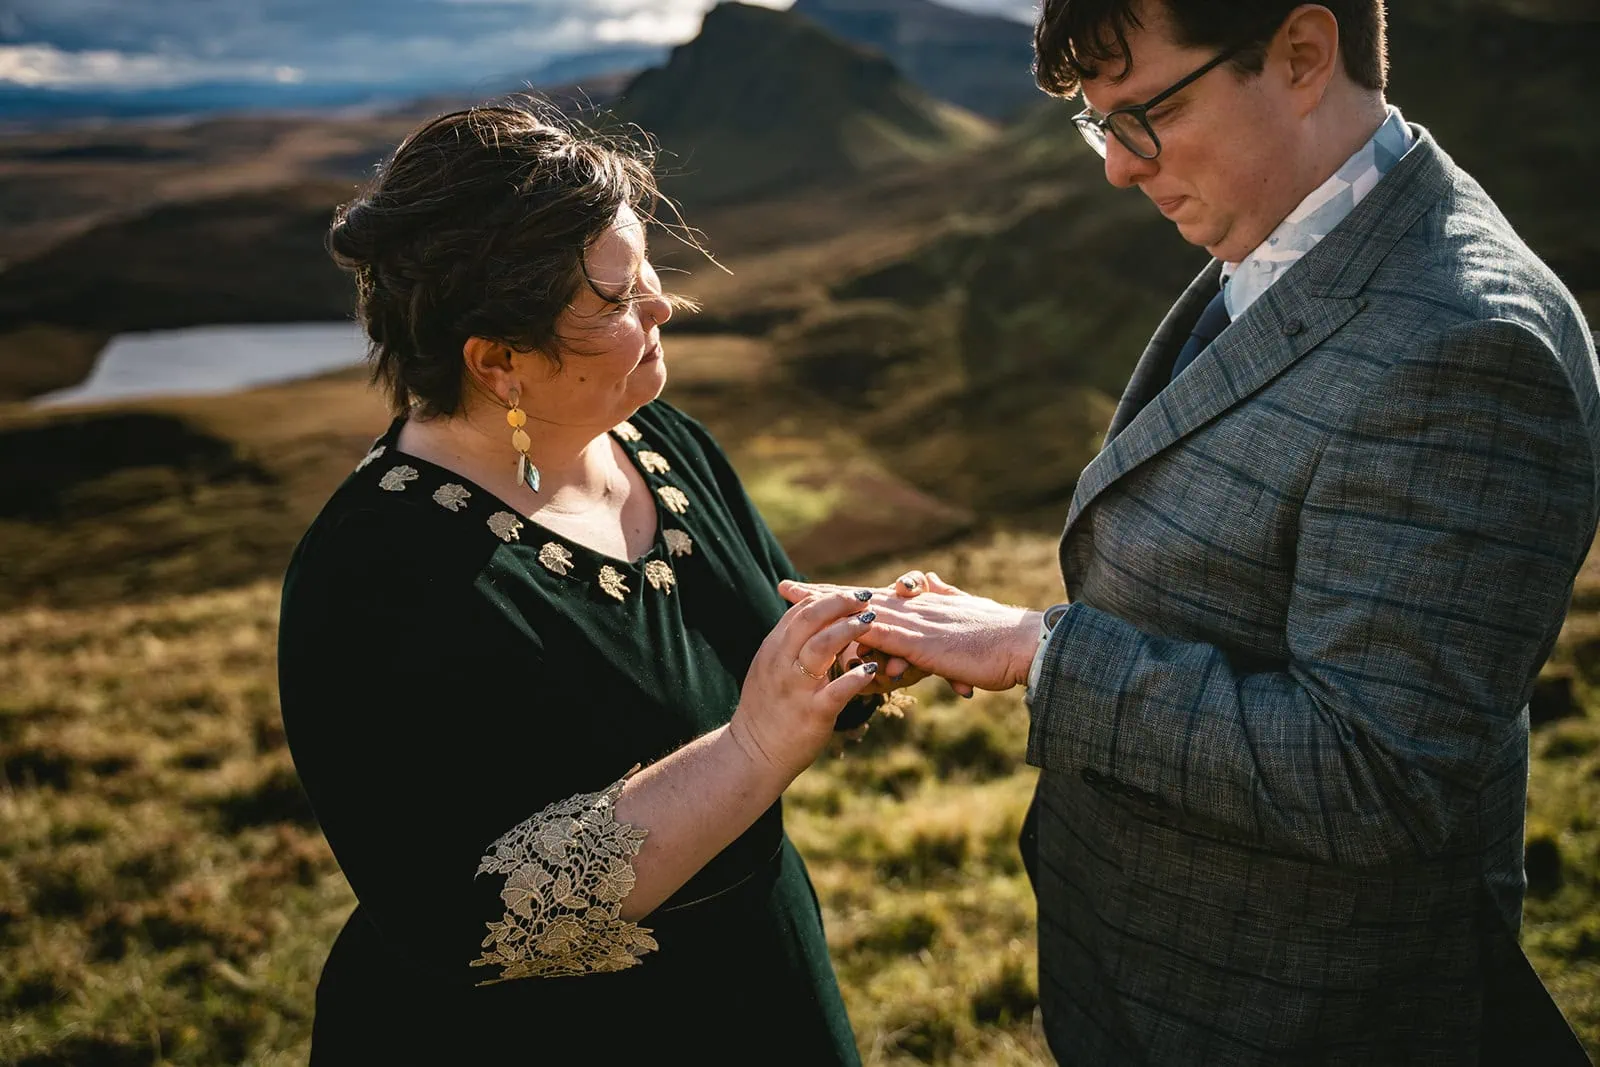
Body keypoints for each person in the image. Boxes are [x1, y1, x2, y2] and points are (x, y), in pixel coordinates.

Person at [784, 1, 1599, 1062]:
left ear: (1302, 55)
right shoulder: (1301, 220)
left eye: (1146, 114)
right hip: (1151, 983)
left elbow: (1378, 775)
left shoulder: (1466, 349)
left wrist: (1038, 651)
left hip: (1301, 1018)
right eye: (1097, 124)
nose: (1118, 170)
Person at [275, 103, 888, 1064]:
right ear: (497, 362)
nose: (662, 307)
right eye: (614, 299)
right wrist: (755, 745)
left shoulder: (664, 444)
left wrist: (857, 644)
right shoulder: (373, 578)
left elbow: (763, 633)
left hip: (758, 985)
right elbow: (473, 921)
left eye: (648, 274)